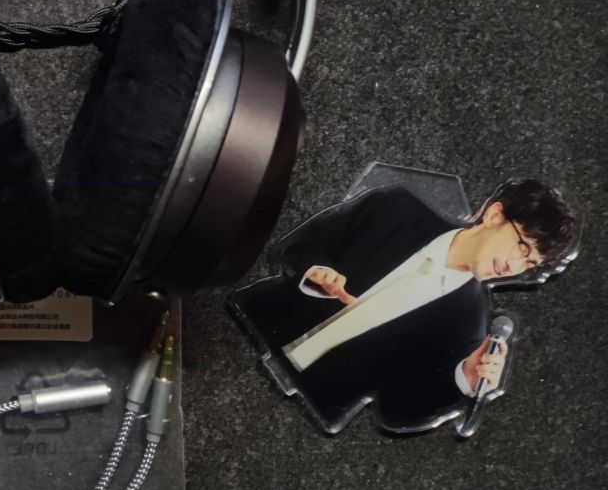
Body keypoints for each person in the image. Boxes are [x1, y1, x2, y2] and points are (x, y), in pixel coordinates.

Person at [231, 180, 575, 433]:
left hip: (294, 410)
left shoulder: (469, 326)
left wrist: (464, 379)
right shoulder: (397, 209)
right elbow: (307, 241)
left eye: (529, 263)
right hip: (243, 325)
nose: (515, 265)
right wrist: (315, 270)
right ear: (495, 214)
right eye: (521, 246)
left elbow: (399, 410)